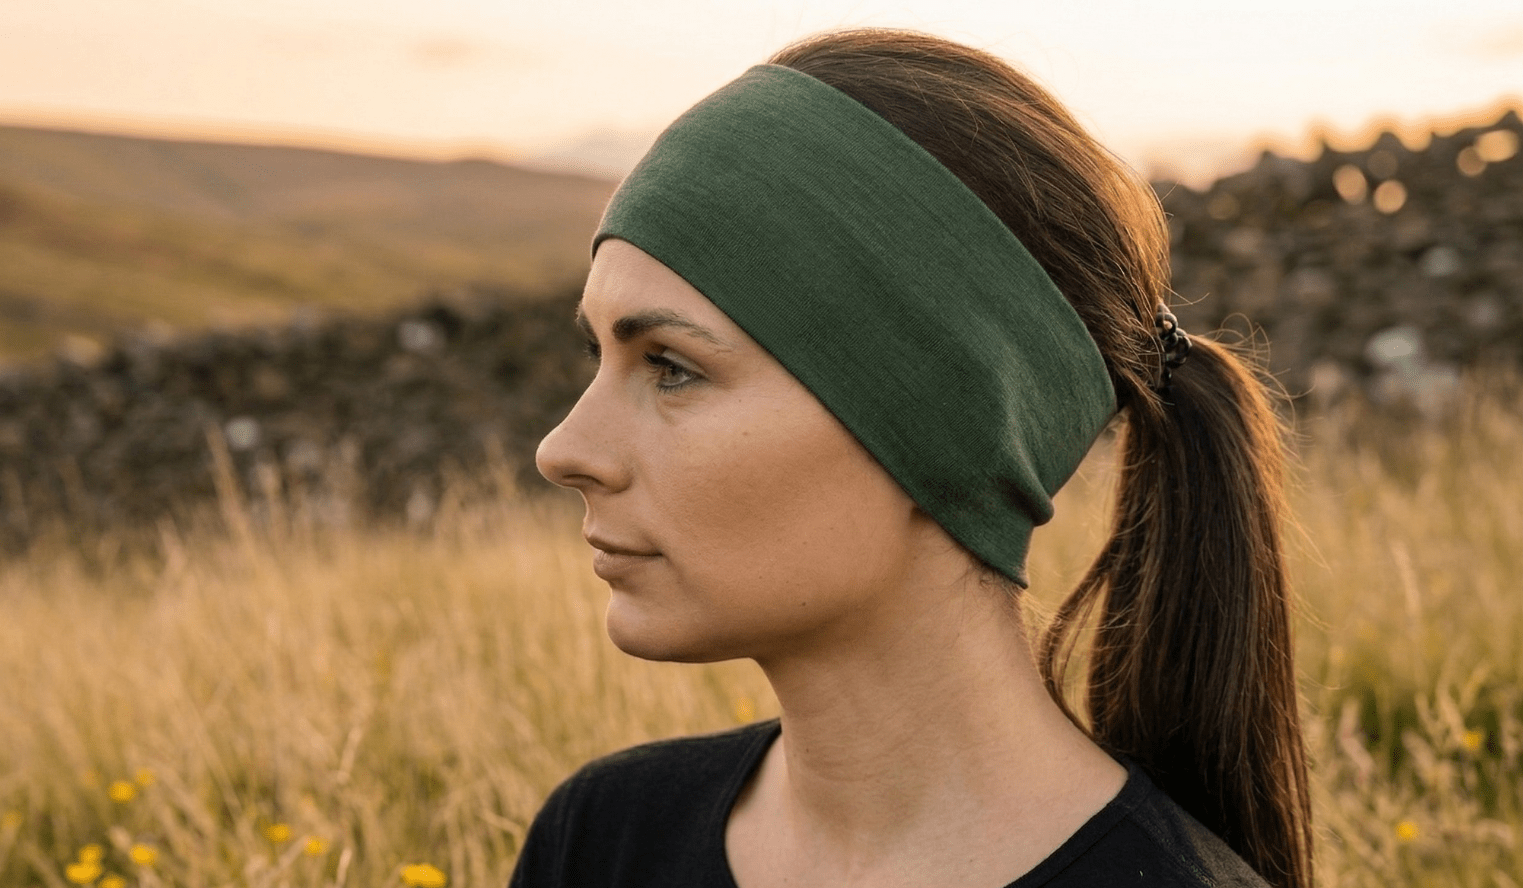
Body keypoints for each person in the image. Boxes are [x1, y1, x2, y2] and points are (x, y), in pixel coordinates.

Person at [516, 28, 1311, 888]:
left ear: (945, 422)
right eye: (597, 353)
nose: (564, 450)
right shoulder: (602, 838)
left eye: (672, 367)